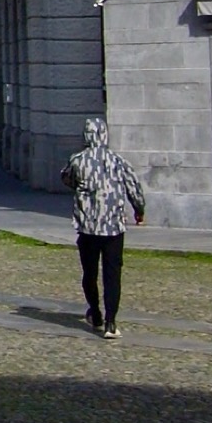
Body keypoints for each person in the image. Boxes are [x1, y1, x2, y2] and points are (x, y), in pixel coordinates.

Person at [60, 118, 145, 338]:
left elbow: (66, 178)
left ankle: (95, 312)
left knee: (90, 272)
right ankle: (111, 322)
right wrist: (139, 209)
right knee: (112, 274)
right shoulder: (118, 160)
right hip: (114, 226)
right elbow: (133, 187)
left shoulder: (78, 160)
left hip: (88, 226)